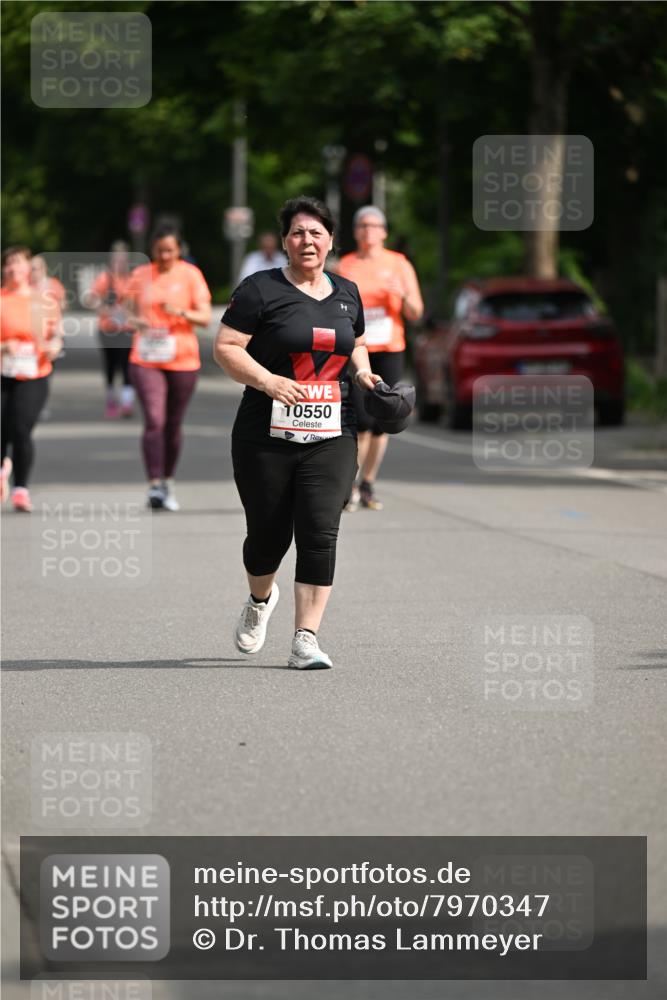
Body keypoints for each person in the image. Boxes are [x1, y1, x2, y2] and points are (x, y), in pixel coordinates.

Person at [214, 195, 382, 670]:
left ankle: (305, 638)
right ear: (285, 242)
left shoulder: (347, 292)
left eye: (315, 233)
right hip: (264, 433)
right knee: (267, 536)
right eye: (297, 233)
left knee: (320, 530)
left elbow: (357, 343)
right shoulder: (259, 290)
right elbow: (226, 347)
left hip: (333, 429)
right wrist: (268, 381)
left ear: (330, 240)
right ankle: (259, 600)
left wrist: (363, 374)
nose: (306, 240)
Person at [339, 206, 424, 511]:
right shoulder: (346, 265)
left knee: (382, 421)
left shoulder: (399, 264)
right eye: (362, 225)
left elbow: (416, 312)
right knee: (360, 421)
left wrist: (402, 295)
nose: (368, 231)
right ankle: (350, 484)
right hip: (357, 350)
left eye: (374, 225)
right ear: (355, 231)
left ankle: (368, 483)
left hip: (389, 348)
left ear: (384, 232)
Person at [124, 225, 211, 511]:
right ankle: (154, 484)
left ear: (179, 250)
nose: (164, 256)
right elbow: (126, 310)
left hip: (183, 359)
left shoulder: (190, 275)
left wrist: (180, 312)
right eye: (160, 250)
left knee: (173, 424)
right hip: (146, 358)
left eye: (170, 250)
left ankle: (168, 480)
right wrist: (136, 322)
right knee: (154, 419)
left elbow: (204, 318)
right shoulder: (140, 275)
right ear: (152, 250)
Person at [1, 246, 63, 512]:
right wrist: (4, 347)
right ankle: (2, 468)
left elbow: (57, 335)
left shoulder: (44, 301)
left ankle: (21, 489)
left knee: (21, 427)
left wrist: (55, 346)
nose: (13, 268)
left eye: (18, 262)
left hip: (35, 373)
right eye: (8, 263)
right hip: (3, 372)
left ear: (29, 268)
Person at [85, 241, 136, 418]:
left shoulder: (132, 278)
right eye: (117, 259)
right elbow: (90, 298)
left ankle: (127, 403)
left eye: (123, 259)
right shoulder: (104, 278)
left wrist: (128, 310)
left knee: (127, 366)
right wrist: (104, 309)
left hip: (127, 329)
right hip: (108, 329)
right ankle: (111, 399)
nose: (120, 262)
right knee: (111, 366)